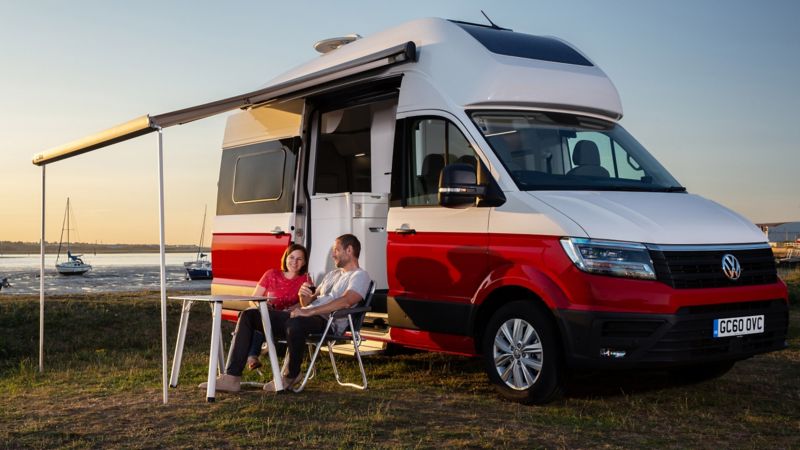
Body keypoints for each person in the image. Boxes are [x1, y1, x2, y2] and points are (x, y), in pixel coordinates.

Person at [200, 234, 371, 393]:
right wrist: (304, 298)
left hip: (328, 322)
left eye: (336, 250)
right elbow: (310, 301)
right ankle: (232, 378)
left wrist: (309, 311)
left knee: (294, 323)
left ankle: (291, 375)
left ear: (349, 250)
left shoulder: (360, 276)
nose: (333, 255)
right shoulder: (332, 275)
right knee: (249, 316)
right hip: (305, 316)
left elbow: (346, 301)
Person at [245, 243, 312, 372]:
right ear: (285, 258)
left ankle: (251, 356)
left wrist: (289, 309)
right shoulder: (271, 274)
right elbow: (252, 300)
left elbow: (307, 302)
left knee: (261, 319)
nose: (294, 262)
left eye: (299, 259)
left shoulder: (306, 279)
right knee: (259, 315)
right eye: (291, 257)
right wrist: (261, 303)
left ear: (304, 262)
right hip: (267, 313)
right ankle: (251, 357)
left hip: (286, 318)